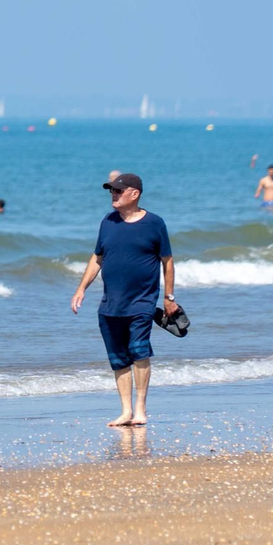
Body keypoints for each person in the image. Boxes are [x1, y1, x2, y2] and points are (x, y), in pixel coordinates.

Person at [70, 173, 177, 427]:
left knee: (139, 352)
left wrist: (169, 297)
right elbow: (97, 258)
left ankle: (140, 410)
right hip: (110, 304)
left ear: (134, 194)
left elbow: (167, 261)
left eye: (118, 191)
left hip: (142, 302)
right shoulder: (108, 222)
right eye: (112, 191)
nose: (114, 195)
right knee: (118, 358)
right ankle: (126, 411)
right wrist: (81, 288)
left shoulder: (154, 223)